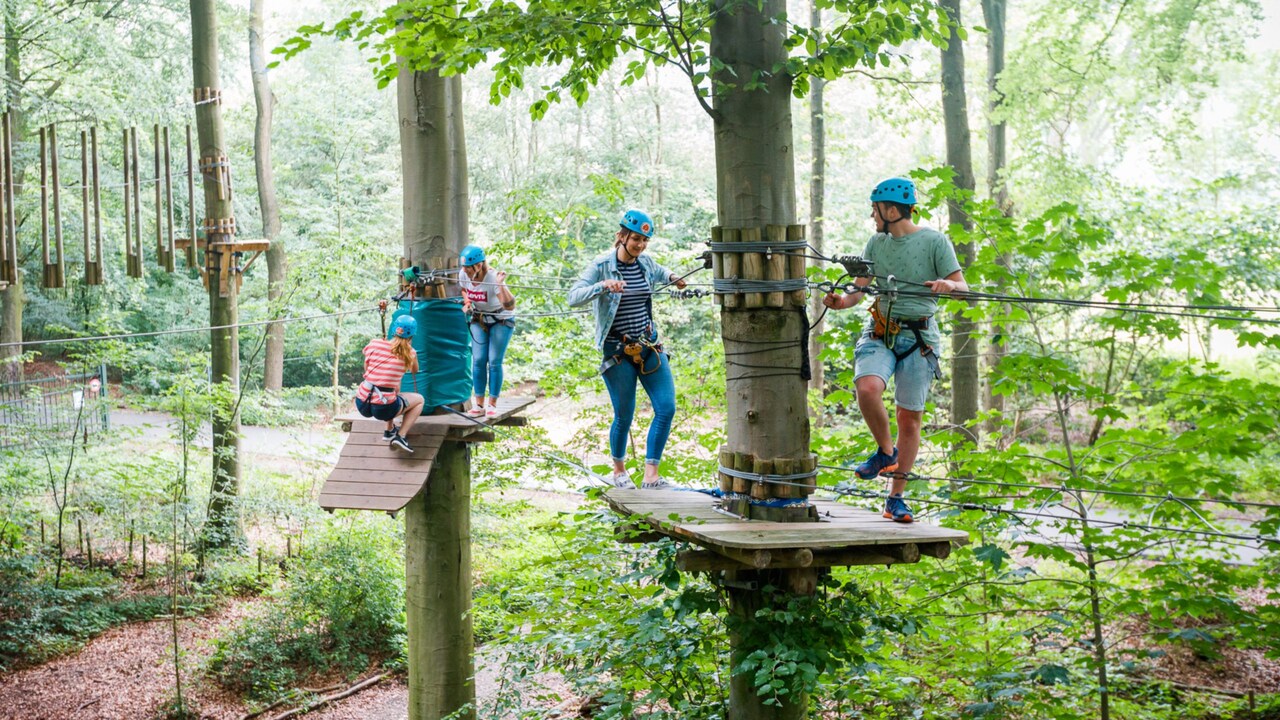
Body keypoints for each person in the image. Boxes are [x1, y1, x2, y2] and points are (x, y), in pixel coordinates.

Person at [822, 177, 969, 523]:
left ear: (890, 210)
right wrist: (841, 302)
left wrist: (948, 285)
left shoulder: (935, 242)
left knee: (910, 419)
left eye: (875, 210)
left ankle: (895, 499)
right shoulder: (876, 243)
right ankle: (886, 452)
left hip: (919, 338)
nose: (872, 217)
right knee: (868, 386)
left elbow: (964, 287)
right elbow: (859, 290)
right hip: (881, 331)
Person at [568, 209, 688, 489]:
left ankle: (651, 475)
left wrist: (672, 277)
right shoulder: (601, 266)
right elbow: (573, 297)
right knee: (624, 414)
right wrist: (602, 286)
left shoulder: (644, 263)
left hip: (649, 346)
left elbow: (659, 272)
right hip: (617, 351)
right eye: (636, 239)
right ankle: (619, 471)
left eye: (645, 240)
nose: (640, 245)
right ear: (621, 237)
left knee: (666, 407)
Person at [458, 245, 516, 418]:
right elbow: (463, 288)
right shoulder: (463, 274)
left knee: (494, 361)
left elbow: (510, 305)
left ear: (479, 265)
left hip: (501, 319)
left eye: (469, 268)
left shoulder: (492, 278)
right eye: (464, 268)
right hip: (479, 318)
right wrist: (467, 302)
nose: (466, 272)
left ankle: (492, 404)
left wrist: (500, 284)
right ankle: (479, 405)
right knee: (478, 360)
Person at [354, 315, 426, 453]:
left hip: (362, 402)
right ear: (412, 336)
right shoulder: (410, 353)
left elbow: (367, 367)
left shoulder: (374, 343)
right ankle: (401, 436)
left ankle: (389, 430)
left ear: (393, 330)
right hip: (383, 409)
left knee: (393, 389)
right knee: (419, 400)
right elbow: (415, 370)